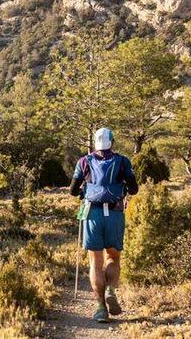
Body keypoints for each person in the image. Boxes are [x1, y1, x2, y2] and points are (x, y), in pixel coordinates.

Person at [69, 127, 139, 324]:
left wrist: (85, 188)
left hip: (92, 213)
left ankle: (100, 308)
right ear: (112, 142)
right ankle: (111, 289)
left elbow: (73, 191)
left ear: (95, 142)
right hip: (115, 213)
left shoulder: (84, 161)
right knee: (113, 257)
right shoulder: (123, 161)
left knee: (95, 263)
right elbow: (134, 189)